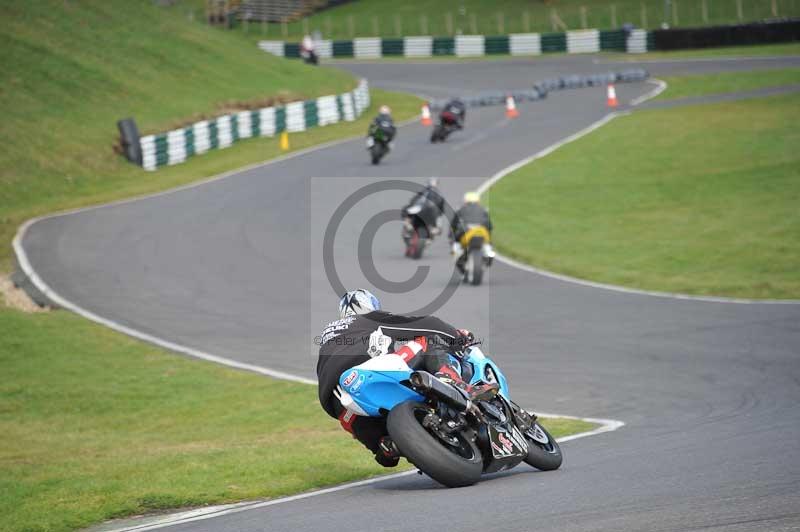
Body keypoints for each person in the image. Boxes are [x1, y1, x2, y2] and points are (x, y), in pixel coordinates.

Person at [316, 289, 497, 467]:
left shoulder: (328, 335)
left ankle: (386, 445)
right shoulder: (368, 319)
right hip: (368, 374)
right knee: (429, 341)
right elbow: (425, 324)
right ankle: (455, 384)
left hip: (340, 404)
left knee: (383, 451)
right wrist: (456, 337)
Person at [451, 191, 495, 260]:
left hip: (467, 231)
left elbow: (454, 223)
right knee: (488, 242)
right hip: (481, 231)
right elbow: (490, 225)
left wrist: (452, 233)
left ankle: (457, 252)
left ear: (465, 200)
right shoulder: (484, 209)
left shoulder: (460, 209)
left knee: (457, 240)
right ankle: (489, 251)